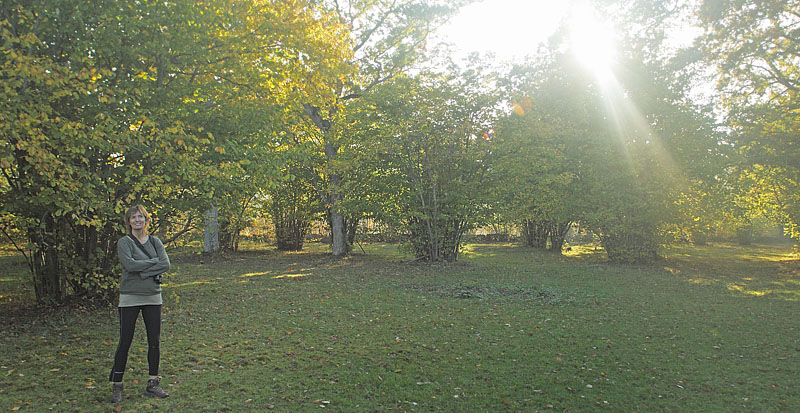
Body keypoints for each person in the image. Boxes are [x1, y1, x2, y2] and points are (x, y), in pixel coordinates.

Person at [109, 205, 171, 403]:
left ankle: (153, 383)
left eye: (141, 217)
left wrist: (142, 271)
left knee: (154, 341)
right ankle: (117, 385)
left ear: (146, 220)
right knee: (125, 341)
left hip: (153, 296)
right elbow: (129, 265)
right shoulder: (124, 242)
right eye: (134, 217)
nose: (137, 220)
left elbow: (166, 264)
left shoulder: (155, 241)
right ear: (129, 221)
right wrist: (153, 264)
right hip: (130, 297)